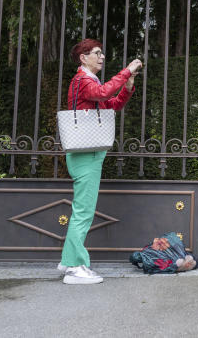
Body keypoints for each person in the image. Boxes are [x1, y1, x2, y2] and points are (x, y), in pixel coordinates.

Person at [58, 38, 142, 284]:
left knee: (82, 210)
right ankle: (75, 267)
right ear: (83, 58)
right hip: (85, 154)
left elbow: (111, 104)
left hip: (89, 152)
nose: (102, 57)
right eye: (97, 53)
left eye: (102, 53)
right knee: (83, 212)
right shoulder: (83, 80)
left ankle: (67, 260)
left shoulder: (89, 81)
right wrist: (126, 69)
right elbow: (104, 93)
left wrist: (128, 85)